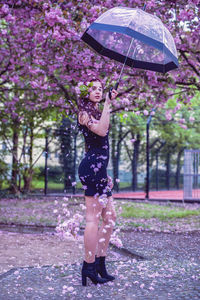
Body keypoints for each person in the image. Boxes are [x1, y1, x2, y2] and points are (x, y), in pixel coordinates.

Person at [77, 77, 118, 286]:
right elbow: (102, 131)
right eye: (93, 88)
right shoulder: (84, 114)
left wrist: (103, 171)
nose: (98, 91)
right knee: (93, 219)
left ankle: (100, 264)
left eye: (100, 89)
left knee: (110, 217)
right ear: (85, 92)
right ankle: (88, 265)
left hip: (97, 170)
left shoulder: (95, 112)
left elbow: (98, 144)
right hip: (90, 170)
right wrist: (108, 104)